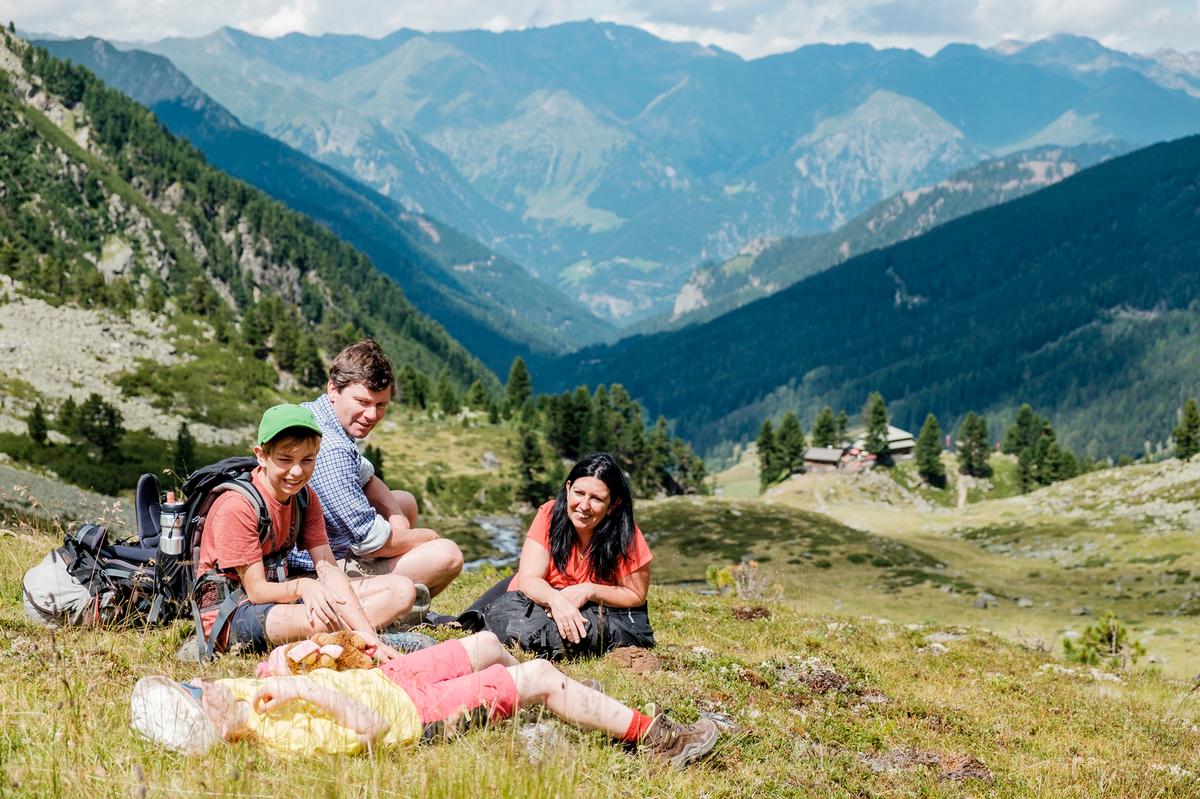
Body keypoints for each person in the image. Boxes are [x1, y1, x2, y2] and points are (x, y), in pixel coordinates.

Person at [130, 631, 720, 768]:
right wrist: (299, 687)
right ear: (214, 727)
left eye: (188, 683)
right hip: (415, 714)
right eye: (194, 695)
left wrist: (286, 660)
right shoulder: (280, 741)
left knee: (489, 642)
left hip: (394, 678)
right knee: (537, 674)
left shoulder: (229, 693)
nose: (201, 685)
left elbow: (267, 670)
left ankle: (564, 698)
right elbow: (365, 730)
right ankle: (658, 740)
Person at [194, 403, 411, 658]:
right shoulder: (237, 506)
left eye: (307, 460)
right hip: (233, 613)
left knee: (402, 591)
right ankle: (360, 636)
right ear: (261, 455)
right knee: (325, 620)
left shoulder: (304, 498)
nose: (296, 472)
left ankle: (367, 637)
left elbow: (328, 568)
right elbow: (257, 590)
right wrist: (303, 587)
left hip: (279, 599)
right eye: (285, 460)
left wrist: (369, 637)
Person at [288, 339, 463, 605]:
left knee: (404, 502)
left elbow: (365, 475)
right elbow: (373, 542)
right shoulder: (332, 449)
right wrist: (428, 537)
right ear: (333, 389)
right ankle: (393, 612)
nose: (371, 415)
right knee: (447, 554)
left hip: (318, 548)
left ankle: (398, 600)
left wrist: (399, 522)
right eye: (363, 401)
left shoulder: (316, 412)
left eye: (381, 405)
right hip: (313, 571)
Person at [459, 453, 655, 658]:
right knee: (463, 626)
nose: (584, 506)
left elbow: (635, 594)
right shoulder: (550, 514)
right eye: (579, 493)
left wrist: (588, 590)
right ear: (568, 488)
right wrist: (557, 600)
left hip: (582, 607)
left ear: (613, 504)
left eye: (596, 498)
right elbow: (529, 579)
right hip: (530, 594)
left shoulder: (626, 535)